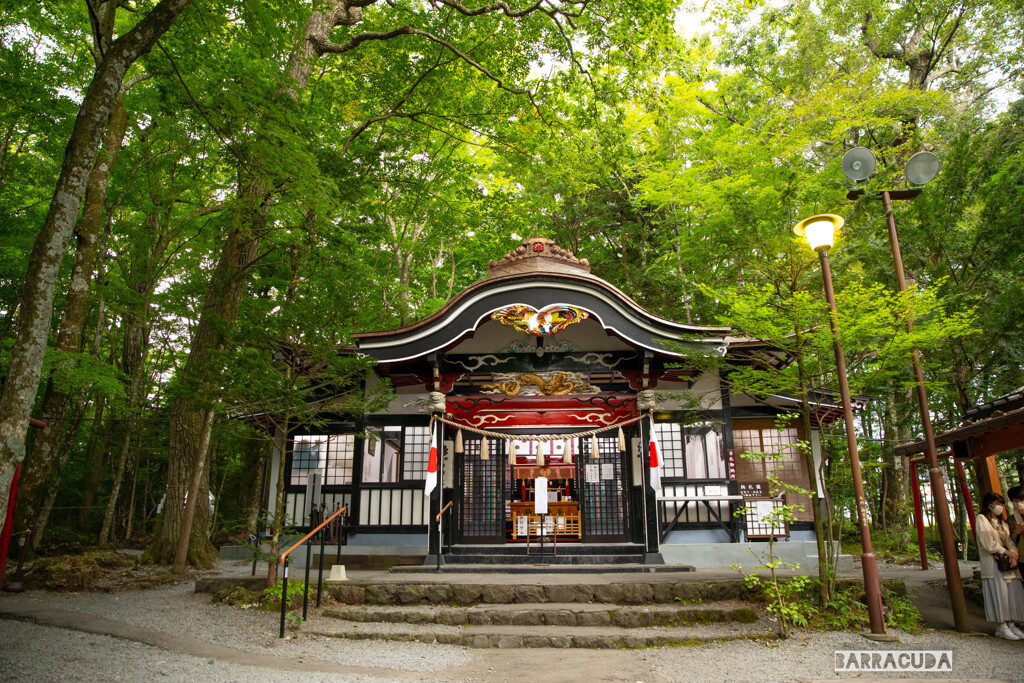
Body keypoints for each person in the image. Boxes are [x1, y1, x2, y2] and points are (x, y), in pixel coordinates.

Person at [975, 491, 1024, 640]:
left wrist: (1014, 553)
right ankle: (1001, 625)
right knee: (999, 592)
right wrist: (1007, 553)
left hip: (1007, 563)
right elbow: (988, 543)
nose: (999, 507)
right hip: (993, 562)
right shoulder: (982, 519)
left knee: (1011, 593)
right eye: (997, 504)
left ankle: (1011, 624)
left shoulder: (1002, 523)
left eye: (1001, 504)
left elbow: (1009, 540)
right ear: (989, 505)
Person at [1009, 486, 1024, 583]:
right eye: (1015, 501)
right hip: (1022, 558)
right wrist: (1017, 533)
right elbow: (1010, 541)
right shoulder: (1011, 520)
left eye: (1021, 500)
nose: (1019, 503)